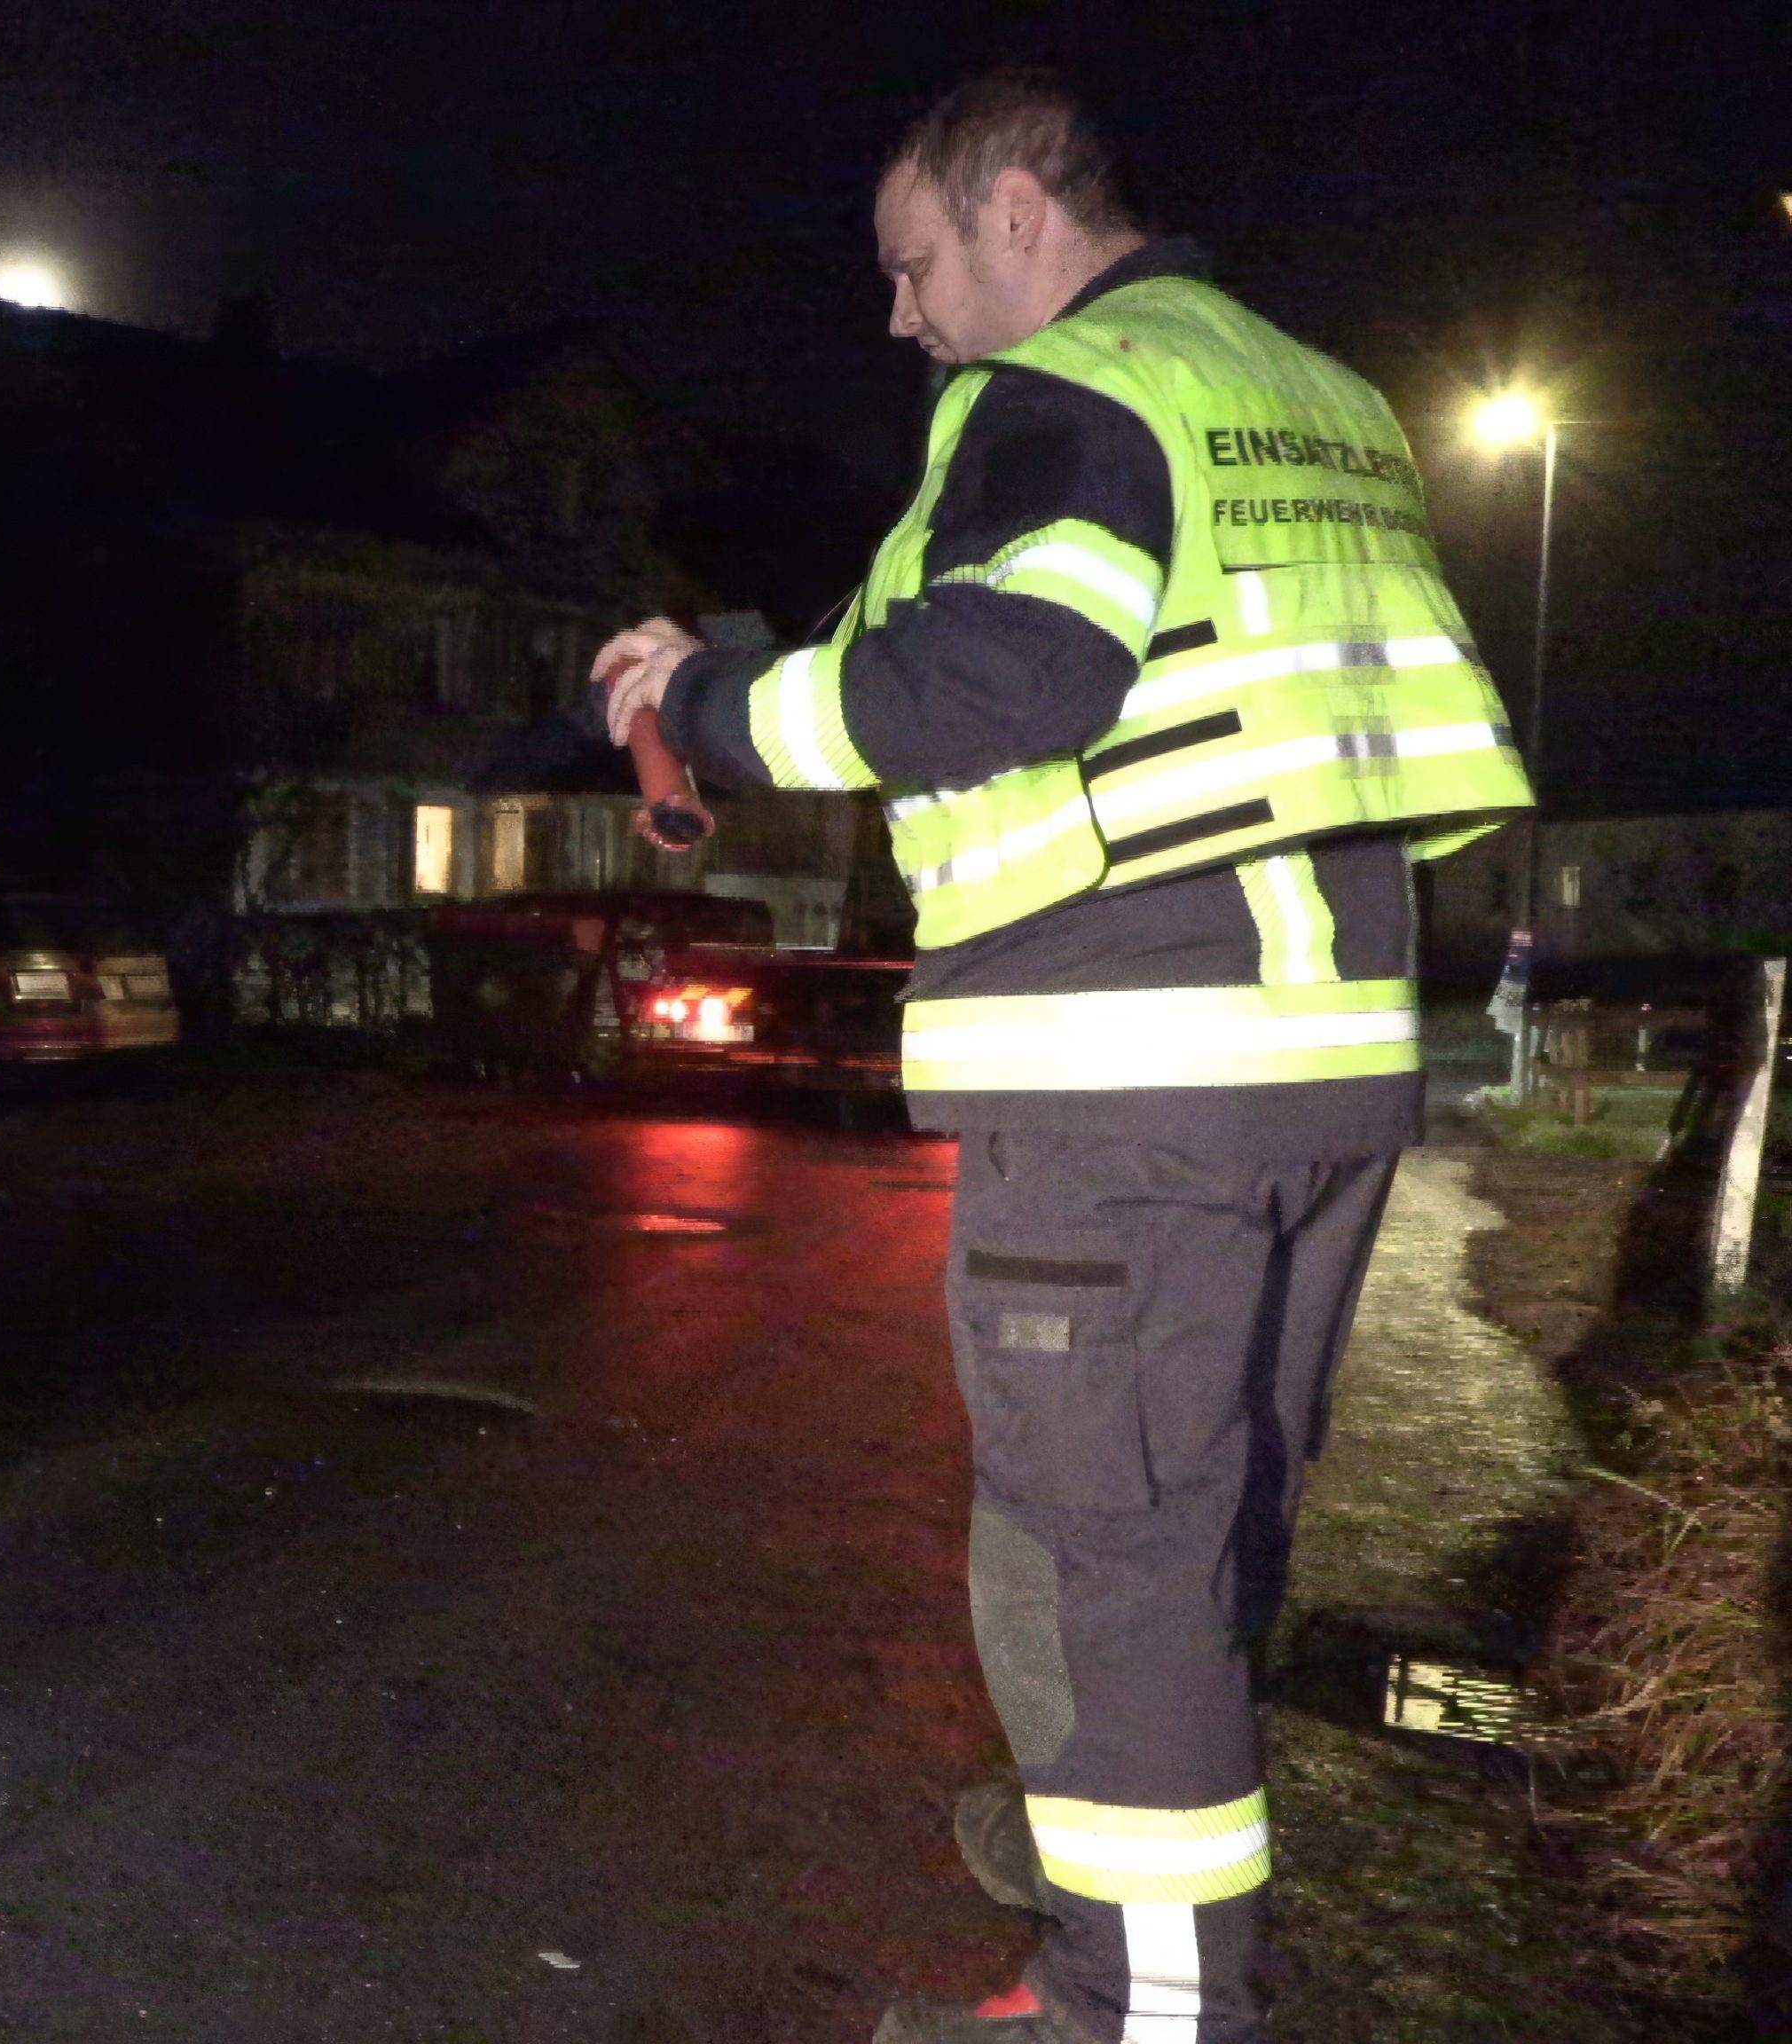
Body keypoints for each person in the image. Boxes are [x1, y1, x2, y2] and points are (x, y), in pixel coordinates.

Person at [594, 70, 1530, 2044]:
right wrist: (754, 658)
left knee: (1106, 1561)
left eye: (911, 263)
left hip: (1127, 1078)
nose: (899, 314)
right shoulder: (1302, 392)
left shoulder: (1069, 388)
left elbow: (1008, 671)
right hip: (1318, 1059)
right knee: (1196, 1536)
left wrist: (711, 703)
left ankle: (1142, 2009)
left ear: (1015, 209)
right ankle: (1115, 1898)